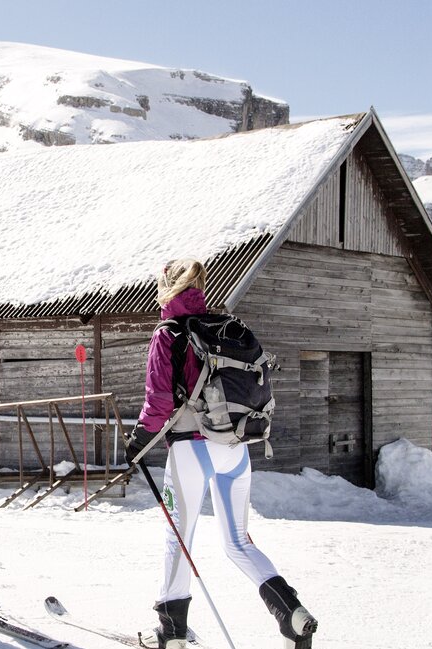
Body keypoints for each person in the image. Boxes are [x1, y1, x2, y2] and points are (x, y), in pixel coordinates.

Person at [127, 259, 317, 649]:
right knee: (238, 541)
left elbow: (160, 400)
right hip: (234, 449)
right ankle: (290, 612)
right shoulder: (223, 327)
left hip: (190, 451)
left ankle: (172, 632)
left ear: (166, 288)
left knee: (179, 537)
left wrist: (139, 440)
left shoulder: (169, 333)